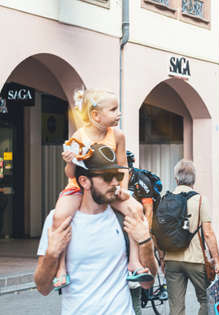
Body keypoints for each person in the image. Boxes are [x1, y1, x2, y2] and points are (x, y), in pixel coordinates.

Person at [34, 144, 158, 314]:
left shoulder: (124, 216)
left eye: (116, 175)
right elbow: (43, 288)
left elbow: (148, 283)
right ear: (84, 181)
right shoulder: (60, 220)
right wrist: (52, 254)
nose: (115, 182)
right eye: (107, 177)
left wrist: (146, 242)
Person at [52, 89, 150, 290]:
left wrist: (123, 190)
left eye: (118, 109)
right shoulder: (79, 136)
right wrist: (69, 161)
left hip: (109, 186)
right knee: (59, 216)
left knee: (136, 210)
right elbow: (71, 174)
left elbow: (123, 165)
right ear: (96, 115)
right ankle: (60, 268)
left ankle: (134, 262)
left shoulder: (118, 135)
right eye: (113, 109)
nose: (118, 113)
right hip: (79, 187)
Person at [162, 160, 219, 315]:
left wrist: (163, 258)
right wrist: (217, 260)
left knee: (176, 307)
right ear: (194, 180)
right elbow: (208, 233)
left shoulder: (165, 199)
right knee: (205, 300)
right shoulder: (200, 200)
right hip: (195, 260)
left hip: (171, 260)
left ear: (176, 179)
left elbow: (159, 233)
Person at [126, 150, 163, 315]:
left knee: (145, 255)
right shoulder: (118, 180)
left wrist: (145, 234)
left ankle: (147, 286)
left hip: (144, 223)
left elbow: (149, 211)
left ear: (130, 167)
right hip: (128, 224)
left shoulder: (141, 180)